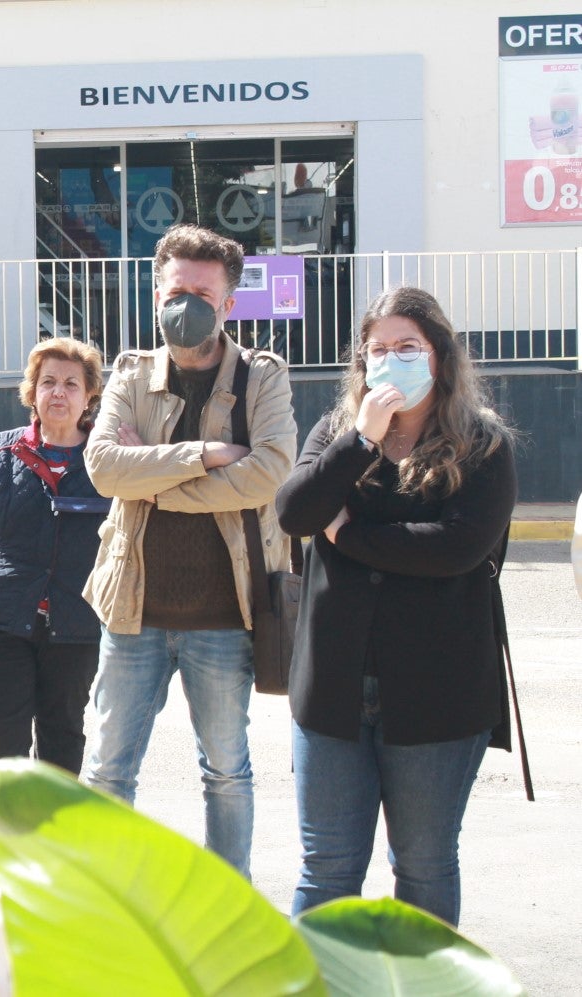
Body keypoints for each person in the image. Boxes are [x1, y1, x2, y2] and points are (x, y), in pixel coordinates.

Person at [275, 287, 517, 925]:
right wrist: (361, 441)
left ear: (438, 356)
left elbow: (454, 549)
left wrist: (349, 535)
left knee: (424, 864)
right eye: (378, 349)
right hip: (333, 688)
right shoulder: (339, 432)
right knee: (326, 865)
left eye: (407, 347)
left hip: (438, 690)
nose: (391, 360)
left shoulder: (482, 444)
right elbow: (295, 513)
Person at [81, 223, 296, 880]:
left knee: (225, 771)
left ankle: (227, 898)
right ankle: (102, 897)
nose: (188, 304)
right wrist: (201, 456)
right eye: (177, 289)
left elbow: (269, 473)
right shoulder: (128, 372)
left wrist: (154, 481)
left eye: (204, 293)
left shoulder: (262, 376)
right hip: (132, 610)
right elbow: (102, 469)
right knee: (107, 771)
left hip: (222, 617)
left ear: (228, 303)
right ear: (155, 294)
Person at [0, 337, 109, 775]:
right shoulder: (4, 450)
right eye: (48, 382)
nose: (58, 392)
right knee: (3, 741)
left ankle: (51, 842)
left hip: (76, 623)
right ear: (33, 392)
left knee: (63, 737)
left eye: (70, 384)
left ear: (89, 395)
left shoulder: (106, 458)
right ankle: (2, 841)